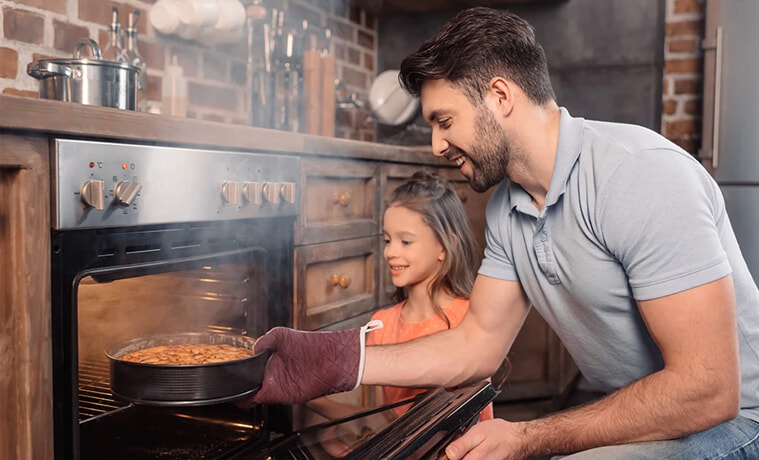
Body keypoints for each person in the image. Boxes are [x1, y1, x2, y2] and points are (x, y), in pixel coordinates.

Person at [247, 7, 759, 460]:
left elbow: (708, 389)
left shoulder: (637, 175)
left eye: (444, 121)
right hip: (645, 411)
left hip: (737, 423)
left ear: (499, 96)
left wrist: (527, 438)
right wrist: (338, 360)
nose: (436, 145)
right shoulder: (506, 209)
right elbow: (476, 344)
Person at [306, 172, 494, 423]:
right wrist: (315, 402)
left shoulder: (469, 319)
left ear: (443, 246)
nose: (390, 252)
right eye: (387, 240)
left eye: (406, 242)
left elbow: (478, 423)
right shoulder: (382, 324)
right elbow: (385, 424)